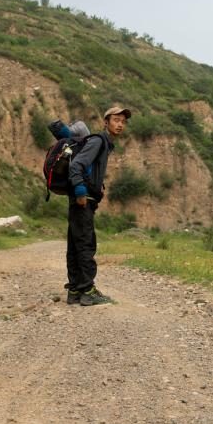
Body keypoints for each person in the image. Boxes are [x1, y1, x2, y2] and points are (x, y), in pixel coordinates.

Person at [65, 106, 131, 306]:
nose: (120, 124)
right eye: (116, 120)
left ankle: (75, 290)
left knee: (76, 245)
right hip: (82, 200)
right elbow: (76, 166)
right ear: (106, 122)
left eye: (123, 122)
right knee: (86, 244)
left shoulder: (104, 144)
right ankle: (88, 291)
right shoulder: (98, 141)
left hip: (83, 202)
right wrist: (80, 191)